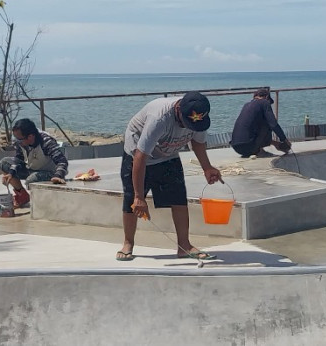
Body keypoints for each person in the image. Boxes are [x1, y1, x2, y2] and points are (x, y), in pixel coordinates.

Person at [118, 91, 222, 261]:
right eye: (187, 123)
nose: (190, 127)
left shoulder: (199, 117)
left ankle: (184, 246)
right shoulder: (159, 118)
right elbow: (140, 156)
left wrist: (207, 167)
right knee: (132, 202)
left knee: (179, 198)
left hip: (168, 155)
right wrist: (139, 197)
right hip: (137, 155)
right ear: (179, 109)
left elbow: (198, 142)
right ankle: (128, 243)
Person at [0, 118, 69, 208]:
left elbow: (62, 161)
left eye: (19, 139)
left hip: (50, 173)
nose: (17, 142)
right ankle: (22, 195)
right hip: (31, 168)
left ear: (30, 136)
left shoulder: (46, 142)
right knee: (4, 163)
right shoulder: (21, 143)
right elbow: (19, 159)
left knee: (31, 180)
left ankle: (43, 203)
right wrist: (11, 173)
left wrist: (58, 175)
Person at [230, 88, 292, 157]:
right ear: (266, 97)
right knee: (268, 121)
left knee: (256, 123)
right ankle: (260, 151)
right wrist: (284, 139)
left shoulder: (246, 105)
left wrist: (276, 144)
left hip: (237, 148)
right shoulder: (264, 102)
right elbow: (273, 124)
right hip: (250, 147)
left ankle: (272, 146)